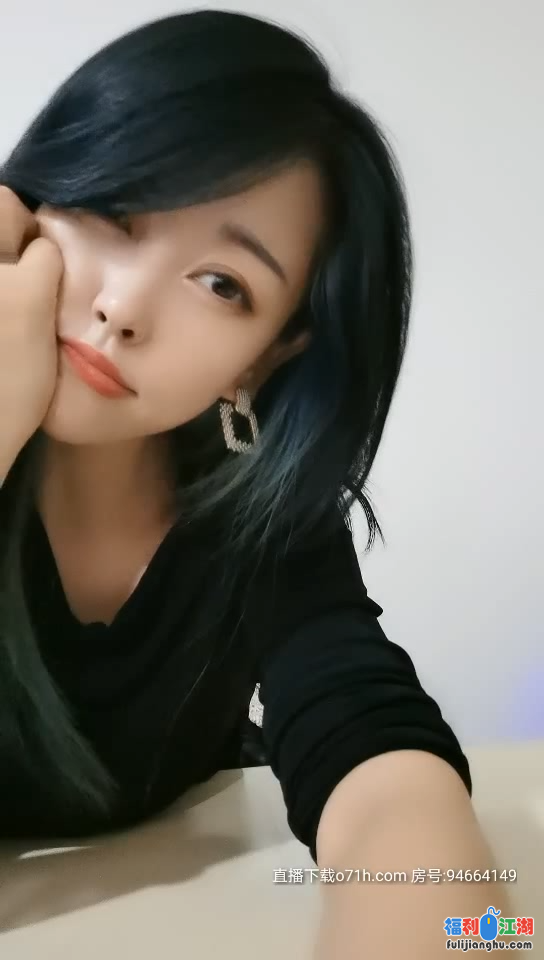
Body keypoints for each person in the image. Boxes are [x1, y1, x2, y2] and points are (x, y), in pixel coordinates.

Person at [0, 9, 509, 957]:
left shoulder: (255, 513)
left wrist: (457, 932)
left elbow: (370, 746)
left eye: (222, 284)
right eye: (113, 212)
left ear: (265, 354)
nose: (122, 308)